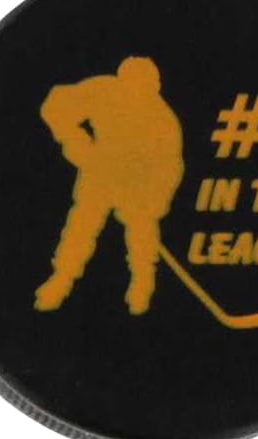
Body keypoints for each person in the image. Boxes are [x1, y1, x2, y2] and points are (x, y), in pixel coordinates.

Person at [35, 57, 184, 314]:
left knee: (142, 232)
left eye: (144, 90)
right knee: (81, 227)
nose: (136, 96)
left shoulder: (164, 122)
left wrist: (152, 202)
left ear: (155, 88)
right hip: (100, 173)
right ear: (121, 82)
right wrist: (76, 142)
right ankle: (61, 279)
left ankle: (142, 284)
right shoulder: (104, 91)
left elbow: (171, 169)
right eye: (131, 88)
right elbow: (56, 106)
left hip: (138, 185)